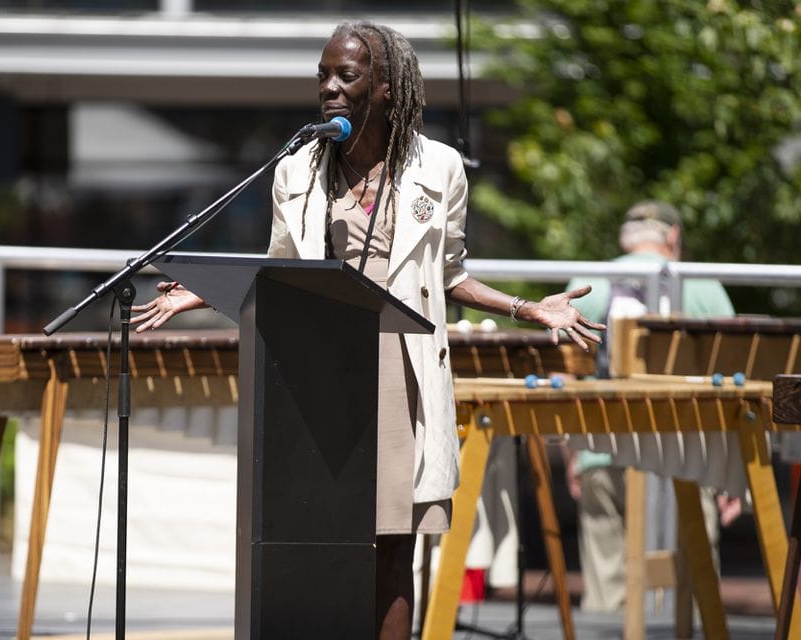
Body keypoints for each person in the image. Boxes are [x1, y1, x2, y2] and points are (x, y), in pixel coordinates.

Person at [131, 21, 604, 640]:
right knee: (313, 539)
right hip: (314, 371)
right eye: (322, 75)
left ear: (383, 88)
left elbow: (450, 272)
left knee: (389, 547)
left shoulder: (440, 167)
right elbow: (281, 266)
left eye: (345, 75)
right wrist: (203, 292)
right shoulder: (295, 169)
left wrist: (526, 307)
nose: (329, 87)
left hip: (393, 369)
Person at [564, 200, 741, 612]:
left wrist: (573, 452)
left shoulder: (590, 281)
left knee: (608, 598)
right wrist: (730, 464)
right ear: (673, 237)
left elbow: (568, 377)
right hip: (688, 455)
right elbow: (732, 380)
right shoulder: (705, 286)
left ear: (626, 238)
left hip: (601, 449)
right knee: (692, 596)